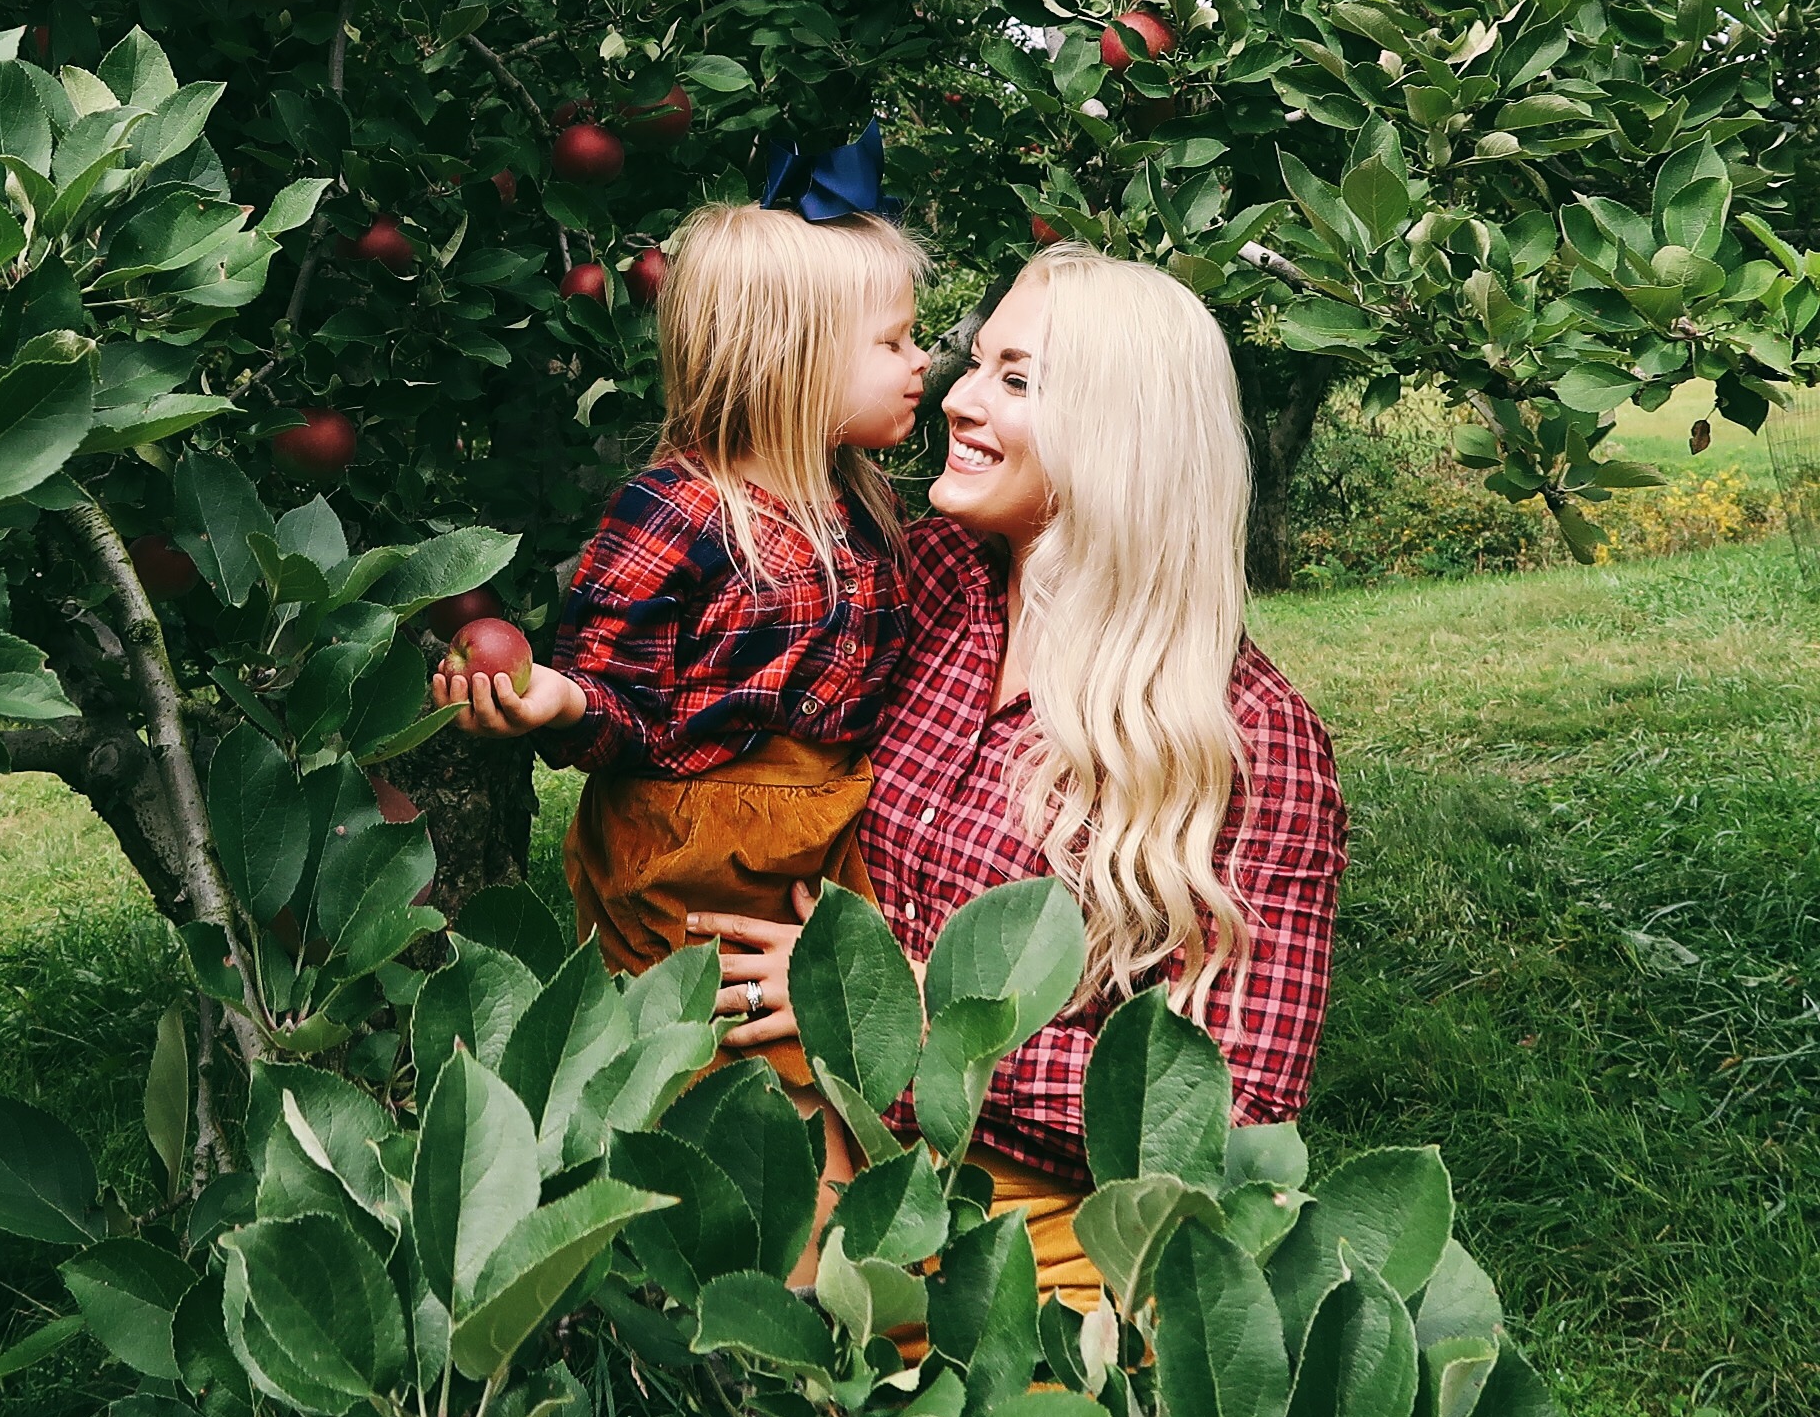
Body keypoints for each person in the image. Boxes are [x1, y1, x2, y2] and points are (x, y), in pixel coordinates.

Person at [691, 246, 1348, 1303]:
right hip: (829, 1138)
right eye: (972, 361)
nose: (955, 396)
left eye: (1014, 378)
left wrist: (917, 1022)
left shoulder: (1249, 738)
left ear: (1118, 434)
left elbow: (1234, 1114)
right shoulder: (924, 584)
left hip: (1040, 1219)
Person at [437, 200, 929, 1100]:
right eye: (892, 343)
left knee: (847, 1052)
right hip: (694, 845)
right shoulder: (681, 510)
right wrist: (560, 700)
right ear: (796, 363)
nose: (920, 361)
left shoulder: (868, 507)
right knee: (714, 1055)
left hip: (821, 829)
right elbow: (617, 696)